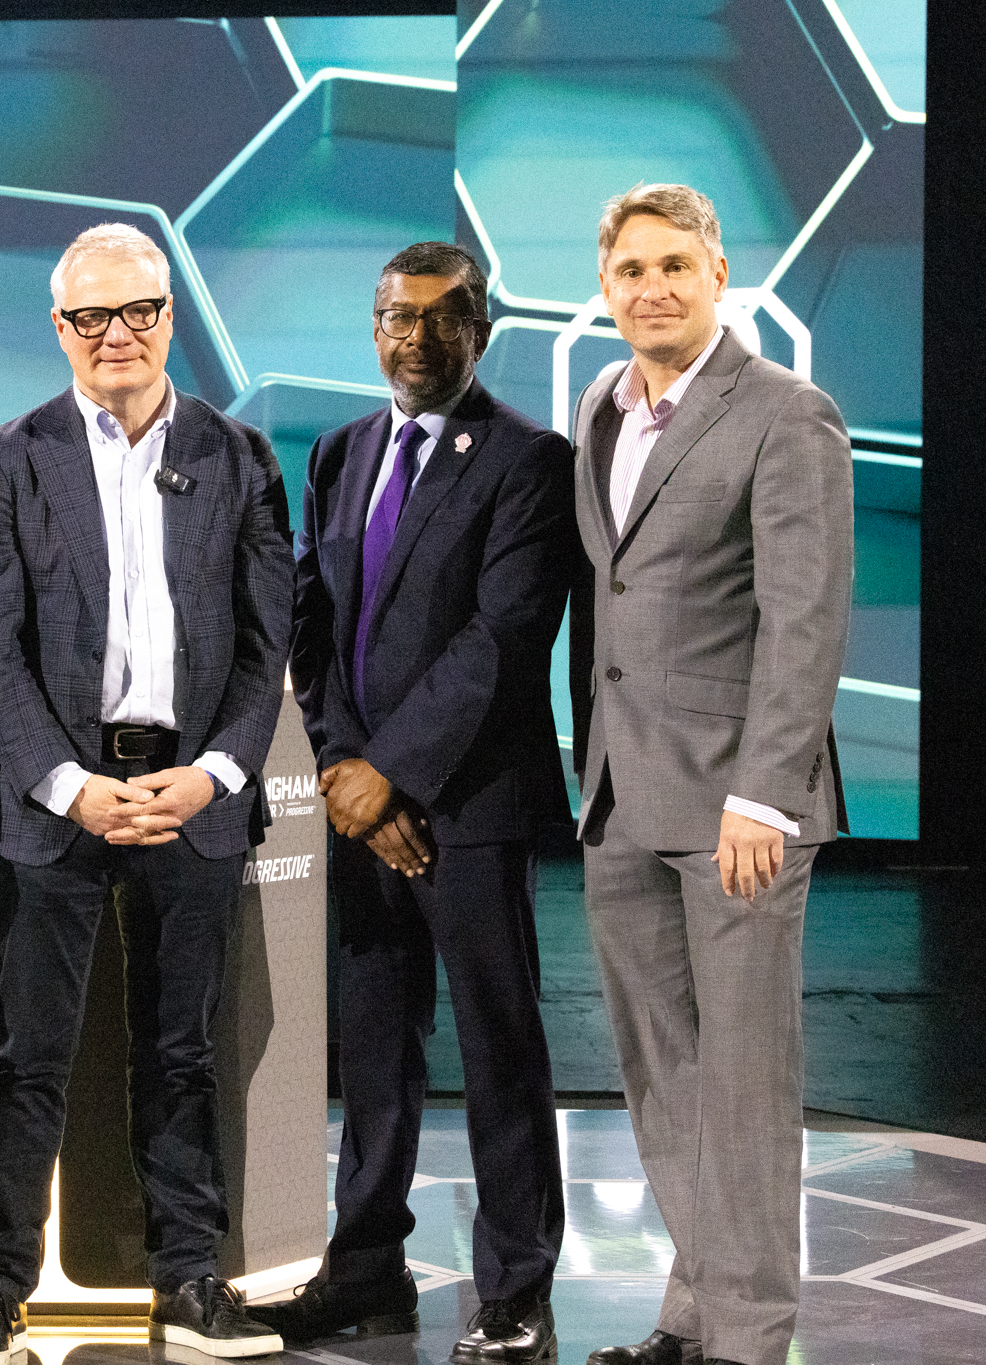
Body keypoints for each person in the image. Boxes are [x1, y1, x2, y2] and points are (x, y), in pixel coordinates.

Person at [0, 223, 293, 1364]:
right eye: (89, 317)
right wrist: (68, 786)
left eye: (135, 311)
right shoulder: (5, 459)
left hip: (194, 797)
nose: (114, 336)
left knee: (181, 1054)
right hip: (57, 806)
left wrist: (212, 775)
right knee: (27, 1060)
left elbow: (262, 641)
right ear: (59, 329)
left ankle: (189, 1279)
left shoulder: (239, 457)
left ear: (168, 316)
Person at [262, 242, 576, 1363]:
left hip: (469, 807)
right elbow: (311, 623)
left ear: (478, 330)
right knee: (373, 1048)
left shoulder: (531, 460)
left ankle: (515, 1288)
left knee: (499, 1047)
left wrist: (387, 774)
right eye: (396, 317)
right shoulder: (342, 453)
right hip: (358, 808)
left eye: (441, 319)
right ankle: (365, 1268)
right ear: (373, 324)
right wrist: (346, 771)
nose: (415, 338)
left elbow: (499, 641)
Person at [571, 184, 851, 1365]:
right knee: (662, 1081)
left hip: (734, 811)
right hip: (620, 799)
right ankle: (691, 1314)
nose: (652, 288)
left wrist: (761, 796)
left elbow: (803, 618)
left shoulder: (786, 414)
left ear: (719, 273)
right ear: (603, 285)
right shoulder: (599, 405)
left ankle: (749, 1339)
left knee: (738, 1094)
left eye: (674, 267)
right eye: (631, 269)